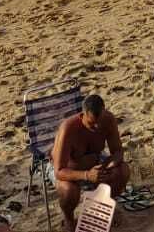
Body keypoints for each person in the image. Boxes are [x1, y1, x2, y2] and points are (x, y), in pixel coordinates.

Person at [52, 94, 129, 231]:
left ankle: (101, 208)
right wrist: (87, 175)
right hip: (69, 169)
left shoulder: (108, 120)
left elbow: (117, 152)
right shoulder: (68, 128)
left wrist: (108, 166)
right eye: (92, 123)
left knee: (122, 171)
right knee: (69, 191)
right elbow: (59, 171)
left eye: (100, 121)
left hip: (96, 162)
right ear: (83, 115)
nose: (97, 126)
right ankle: (69, 219)